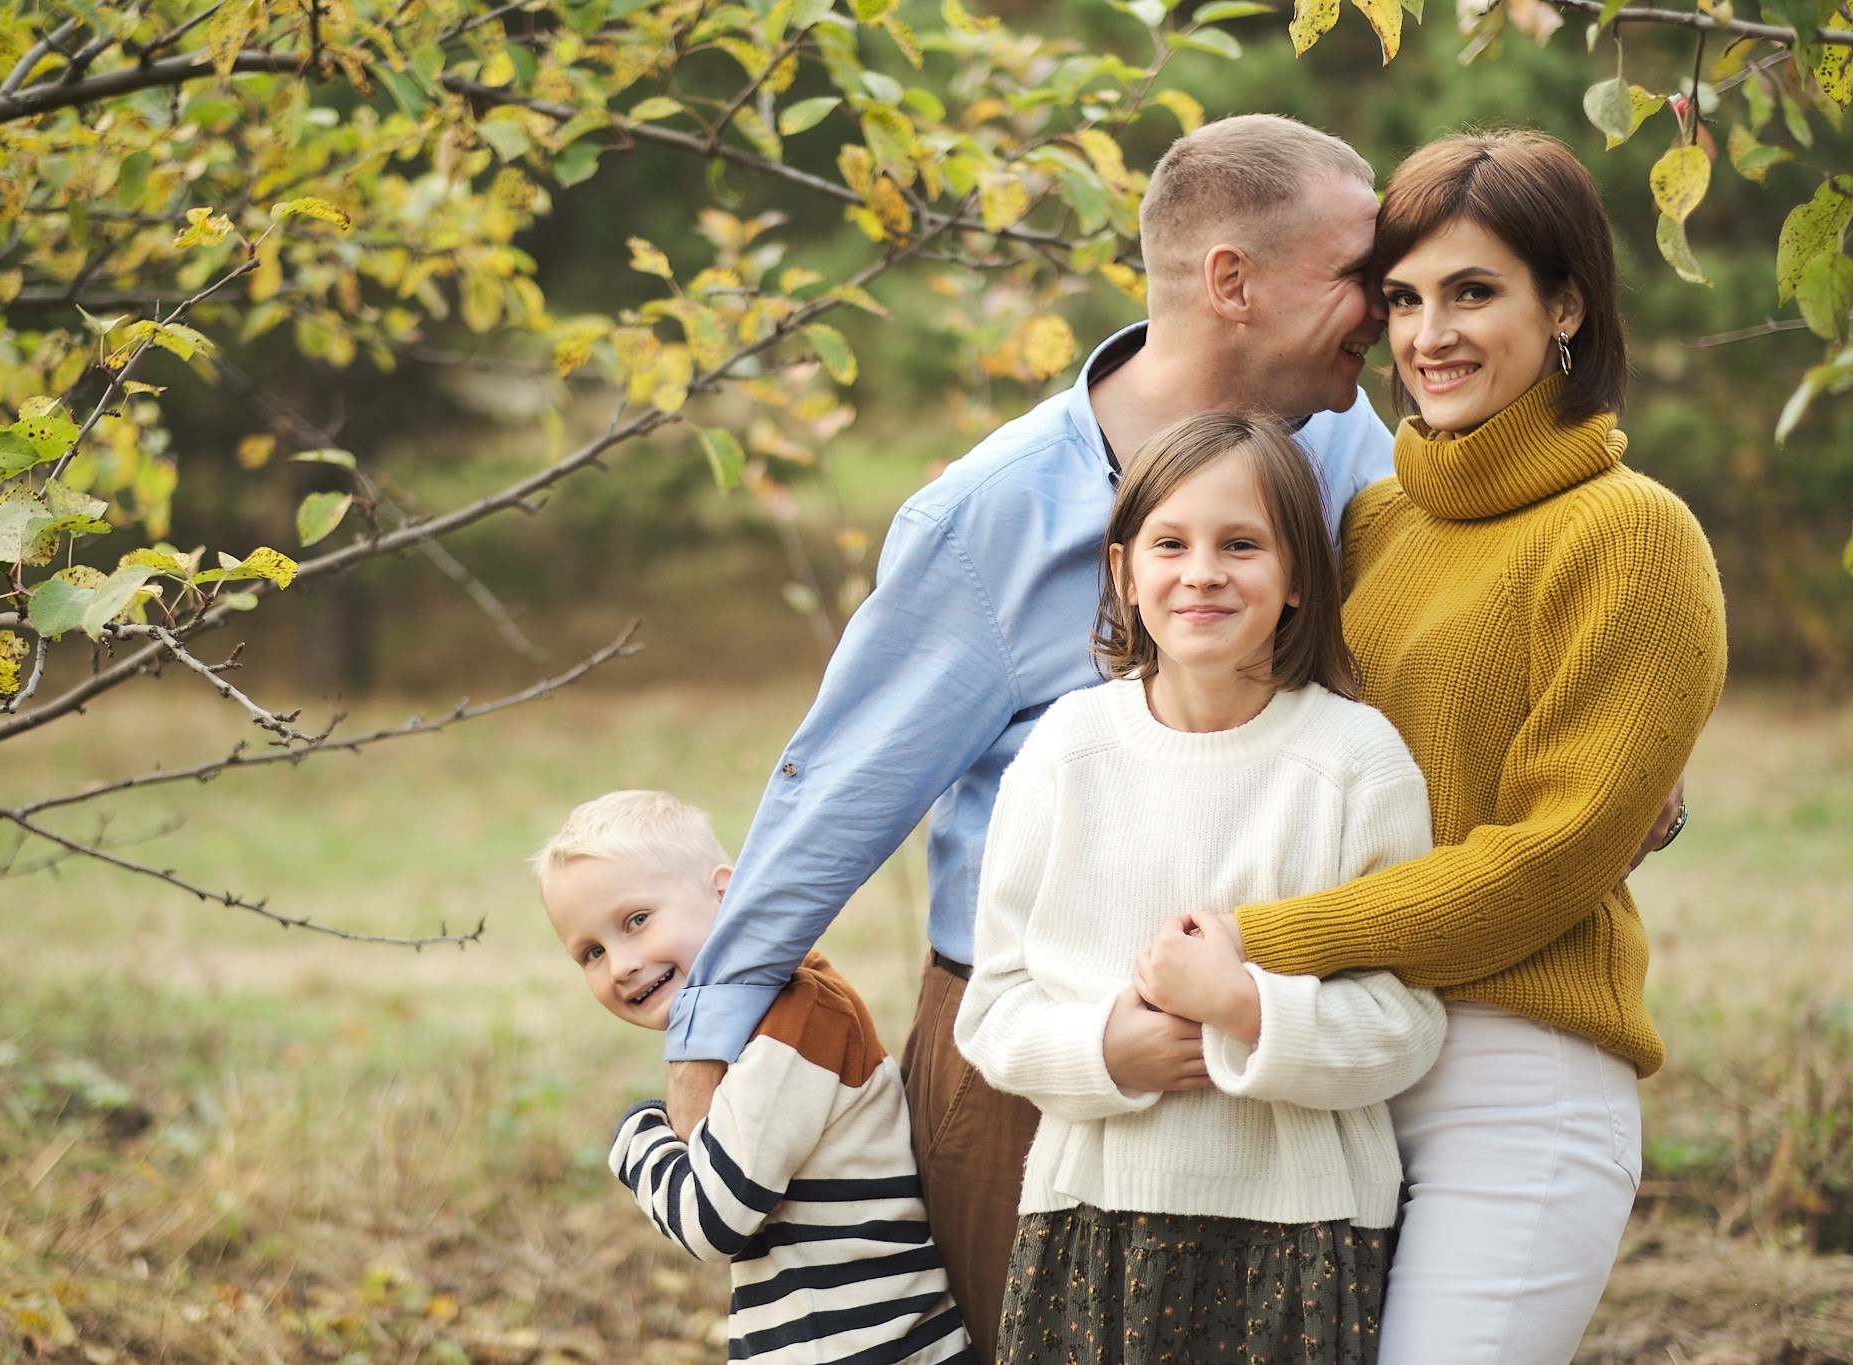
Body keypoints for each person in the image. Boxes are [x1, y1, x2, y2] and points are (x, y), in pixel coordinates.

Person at [663, 113, 1396, 1361]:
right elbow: (841, 783)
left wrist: (1615, 782)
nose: (1384, 312)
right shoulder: (993, 514)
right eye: (1355, 279)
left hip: (1285, 1069)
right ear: (1232, 282)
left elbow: (1426, 676)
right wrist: (710, 1036)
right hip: (1029, 1070)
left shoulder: (1347, 453)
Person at [1145, 132, 1727, 1364]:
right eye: (1402, 299)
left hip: (1515, 1074)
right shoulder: (1370, 521)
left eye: (1474, 292)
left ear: (1565, 303)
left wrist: (1260, 944)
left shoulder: (1630, 535)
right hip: (1329, 1062)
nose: (1428, 336)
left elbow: (1547, 860)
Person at [955, 411, 1447, 1362]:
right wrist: (1109, 1050)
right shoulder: (1065, 751)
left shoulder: (1356, 761)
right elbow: (994, 1010)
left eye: (1242, 544)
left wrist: (1247, 1008)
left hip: (1301, 1232)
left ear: (1300, 574)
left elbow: (1405, 1023)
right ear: (1122, 569)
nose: (1204, 571)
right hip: (1095, 1217)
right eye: (1171, 542)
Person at [532, 790, 973, 1365]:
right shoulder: (758, 1029)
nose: (621, 965)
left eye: (636, 921)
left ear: (725, 891)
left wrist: (636, 1135)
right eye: (590, 952)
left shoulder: (799, 1021)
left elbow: (711, 1220)